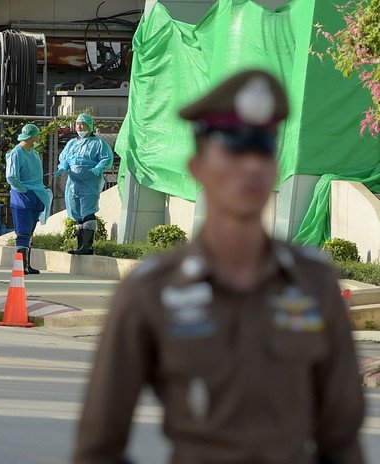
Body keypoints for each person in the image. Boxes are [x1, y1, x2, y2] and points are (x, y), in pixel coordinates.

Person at [73, 70, 365, 464]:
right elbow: (98, 447)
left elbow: (343, 440)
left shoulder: (314, 283)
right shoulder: (152, 290)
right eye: (234, 150)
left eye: (262, 150)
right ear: (197, 167)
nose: (250, 167)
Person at [54, 113, 114, 255]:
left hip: (90, 182)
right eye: (78, 124)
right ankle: (80, 245)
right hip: (74, 183)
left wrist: (99, 167)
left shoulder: (98, 143)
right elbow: (65, 160)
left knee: (88, 212)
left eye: (83, 124)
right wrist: (62, 167)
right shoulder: (72, 143)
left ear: (90, 126)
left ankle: (87, 246)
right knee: (77, 214)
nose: (80, 127)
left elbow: (106, 158)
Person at [5, 123, 52, 274]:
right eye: (37, 135)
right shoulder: (16, 153)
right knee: (23, 232)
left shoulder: (33, 152)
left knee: (29, 232)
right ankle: (20, 266)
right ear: (31, 137)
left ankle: (26, 265)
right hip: (22, 197)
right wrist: (23, 189)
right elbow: (11, 176)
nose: (39, 138)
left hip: (35, 195)